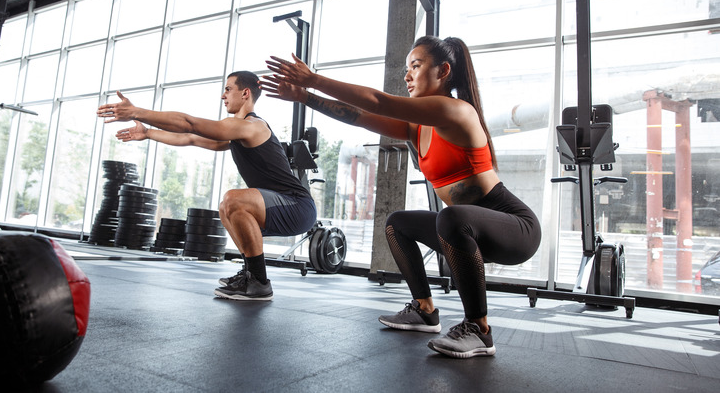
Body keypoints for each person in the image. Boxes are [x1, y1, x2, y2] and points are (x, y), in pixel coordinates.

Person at [262, 36, 541, 358]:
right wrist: (304, 97)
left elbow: (377, 101)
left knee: (450, 216)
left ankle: (479, 328)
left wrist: (313, 79)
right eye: (406, 68)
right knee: (398, 222)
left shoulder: (456, 111)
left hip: (514, 228)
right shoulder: (418, 127)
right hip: (467, 230)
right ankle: (424, 309)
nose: (407, 76)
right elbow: (359, 115)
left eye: (416, 66)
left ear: (444, 71)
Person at [97, 71, 317, 301]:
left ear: (245, 93)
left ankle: (259, 282)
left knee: (234, 199)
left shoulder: (253, 126)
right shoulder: (237, 131)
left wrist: (136, 112)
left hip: (297, 207)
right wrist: (148, 132)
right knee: (225, 208)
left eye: (228, 89)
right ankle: (250, 273)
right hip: (279, 206)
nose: (223, 95)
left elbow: (188, 124)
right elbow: (190, 137)